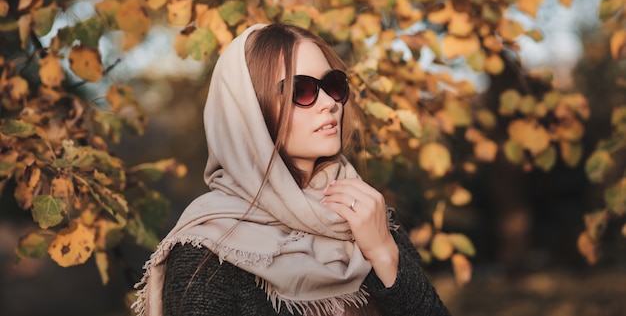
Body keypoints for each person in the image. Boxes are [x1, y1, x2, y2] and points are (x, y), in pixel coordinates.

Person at [132, 23, 451, 316]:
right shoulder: (208, 250)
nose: (329, 103)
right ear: (251, 113)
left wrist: (384, 253)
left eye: (333, 85)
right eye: (303, 90)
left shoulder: (367, 214)